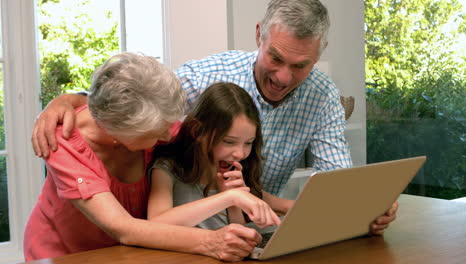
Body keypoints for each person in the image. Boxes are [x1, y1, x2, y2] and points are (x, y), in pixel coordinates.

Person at [30, 0, 397, 235]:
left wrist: (361, 208)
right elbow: (131, 98)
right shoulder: (204, 79)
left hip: (190, 235)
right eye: (276, 59)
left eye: (300, 66)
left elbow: (333, 184)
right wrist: (69, 99)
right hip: (78, 246)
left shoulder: (323, 97)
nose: (283, 77)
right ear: (259, 36)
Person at [23, 52, 263, 262]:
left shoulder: (144, 122)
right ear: (119, 134)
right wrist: (211, 241)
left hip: (125, 254)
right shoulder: (63, 144)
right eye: (156, 132)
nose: (168, 134)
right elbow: (124, 228)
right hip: (63, 255)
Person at [148, 82, 282, 230]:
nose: (240, 154)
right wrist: (229, 198)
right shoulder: (167, 168)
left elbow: (237, 229)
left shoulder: (232, 172)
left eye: (248, 143)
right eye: (229, 141)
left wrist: (233, 203)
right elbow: (156, 223)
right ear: (197, 130)